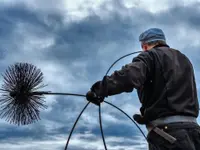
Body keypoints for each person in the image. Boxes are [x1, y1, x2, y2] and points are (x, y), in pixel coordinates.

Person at [86, 28, 200, 150]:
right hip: (194, 133)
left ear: (145, 46)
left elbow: (129, 76)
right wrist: (147, 117)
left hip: (168, 136)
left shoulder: (150, 56)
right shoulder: (185, 60)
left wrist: (99, 90)